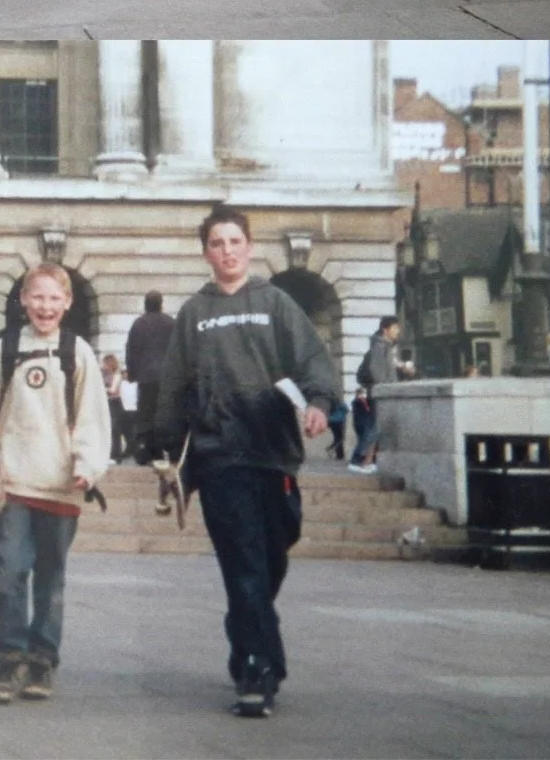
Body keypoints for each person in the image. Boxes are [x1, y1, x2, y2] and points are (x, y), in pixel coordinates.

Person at [155, 204, 340, 719]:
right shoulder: (195, 312)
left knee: (272, 556)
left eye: (235, 241)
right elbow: (173, 384)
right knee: (243, 561)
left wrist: (320, 406)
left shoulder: (275, 303)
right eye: (217, 243)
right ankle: (256, 668)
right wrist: (166, 449)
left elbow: (313, 364)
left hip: (274, 452)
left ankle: (247, 637)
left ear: (249, 246)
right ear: (206, 252)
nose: (227, 251)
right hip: (219, 455)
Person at [0, 262, 110, 705]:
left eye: (54, 299)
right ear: (24, 300)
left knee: (51, 575)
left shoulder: (77, 351)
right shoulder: (5, 347)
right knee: (8, 567)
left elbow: (92, 415)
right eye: (37, 297)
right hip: (13, 480)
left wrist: (89, 464)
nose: (45, 307)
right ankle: (10, 654)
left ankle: (42, 659)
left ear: (67, 303)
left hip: (62, 482)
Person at [348, 317, 413, 475]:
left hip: (381, 391)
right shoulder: (379, 345)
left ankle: (367, 461)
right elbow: (376, 370)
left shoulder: (385, 346)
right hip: (381, 393)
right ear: (385, 329)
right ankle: (359, 459)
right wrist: (385, 387)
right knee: (374, 427)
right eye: (395, 327)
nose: (398, 331)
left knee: (375, 427)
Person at [125, 290, 176, 465]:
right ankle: (165, 450)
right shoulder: (171, 323)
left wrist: (131, 374)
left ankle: (147, 451)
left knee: (146, 415)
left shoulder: (139, 323)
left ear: (146, 304)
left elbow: (131, 350)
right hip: (168, 377)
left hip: (145, 377)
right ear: (161, 304)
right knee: (165, 414)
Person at [101, 354, 128, 462]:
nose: (103, 366)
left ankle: (116, 455)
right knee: (108, 428)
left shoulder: (116, 375)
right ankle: (109, 453)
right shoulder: (103, 374)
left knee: (115, 429)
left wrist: (102, 388)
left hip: (114, 402)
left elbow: (112, 390)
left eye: (105, 363)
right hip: (107, 402)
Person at [348, 386, 372, 467]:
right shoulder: (361, 400)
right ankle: (356, 457)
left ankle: (357, 457)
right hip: (363, 422)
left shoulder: (354, 401)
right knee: (362, 441)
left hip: (356, 423)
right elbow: (368, 409)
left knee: (360, 440)